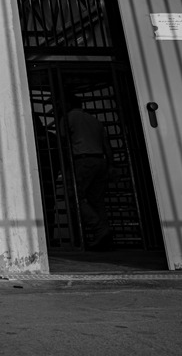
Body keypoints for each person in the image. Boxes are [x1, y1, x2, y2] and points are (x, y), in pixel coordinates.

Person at [60, 92, 114, 251]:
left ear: (68, 104)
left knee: (73, 196)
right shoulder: (95, 120)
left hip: (82, 160)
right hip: (100, 161)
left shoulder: (68, 118)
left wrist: (65, 166)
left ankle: (99, 228)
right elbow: (107, 146)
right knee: (96, 200)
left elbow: (63, 144)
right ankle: (105, 238)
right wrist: (111, 165)